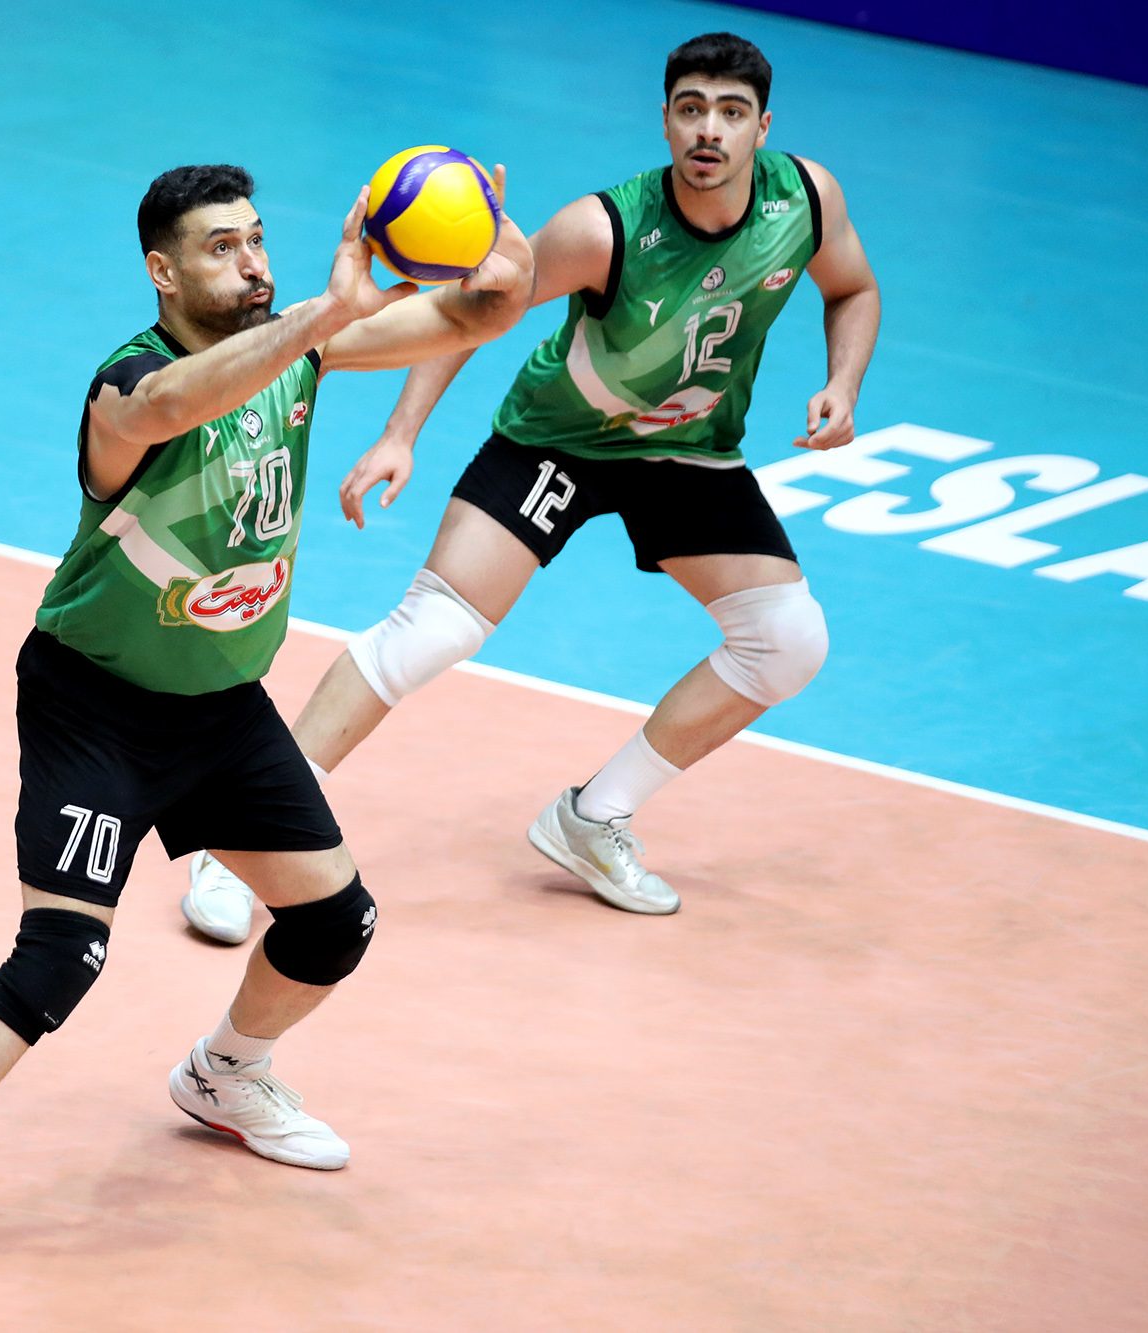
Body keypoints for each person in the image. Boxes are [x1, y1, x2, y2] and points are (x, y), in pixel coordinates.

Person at [0, 163, 532, 1289]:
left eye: (257, 240)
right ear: (162, 270)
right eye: (219, 247)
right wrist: (325, 316)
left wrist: (496, 245)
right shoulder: (128, 383)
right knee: (61, 954)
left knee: (333, 923)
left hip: (222, 709)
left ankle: (223, 1073)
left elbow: (479, 312)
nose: (251, 263)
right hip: (95, 707)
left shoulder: (301, 348)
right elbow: (170, 408)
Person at [181, 31, 878, 939]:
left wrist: (843, 383)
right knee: (433, 630)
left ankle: (593, 817)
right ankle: (241, 839)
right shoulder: (603, 229)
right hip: (559, 440)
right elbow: (477, 309)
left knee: (788, 641)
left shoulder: (806, 199)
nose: (709, 130)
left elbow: (853, 288)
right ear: (666, 120)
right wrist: (400, 433)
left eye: (731, 112)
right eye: (691, 109)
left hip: (688, 451)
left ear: (763, 128)